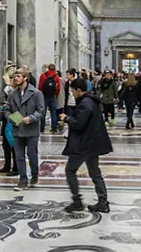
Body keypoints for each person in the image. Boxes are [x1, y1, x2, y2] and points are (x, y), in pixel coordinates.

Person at [59, 78, 113, 213]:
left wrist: (66, 118)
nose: (72, 92)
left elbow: (79, 123)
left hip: (84, 144)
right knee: (95, 173)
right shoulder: (91, 101)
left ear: (78, 90)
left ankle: (77, 201)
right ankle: (103, 201)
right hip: (92, 143)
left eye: (73, 90)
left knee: (70, 171)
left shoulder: (85, 104)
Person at [3, 68, 45, 191]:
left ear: (25, 78)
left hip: (31, 129)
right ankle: (22, 180)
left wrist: (30, 118)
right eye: (15, 76)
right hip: (17, 129)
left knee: (32, 155)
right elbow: (6, 109)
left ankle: (35, 175)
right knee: (19, 156)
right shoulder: (12, 94)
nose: (15, 78)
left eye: (18, 76)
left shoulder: (36, 93)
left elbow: (41, 110)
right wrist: (13, 119)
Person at [38, 63, 62, 133]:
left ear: (48, 68)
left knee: (43, 112)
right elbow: (58, 88)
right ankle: (54, 128)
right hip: (53, 96)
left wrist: (41, 94)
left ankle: (42, 128)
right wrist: (55, 94)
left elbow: (40, 86)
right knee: (53, 113)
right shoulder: (56, 77)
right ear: (54, 69)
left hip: (44, 96)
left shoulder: (43, 75)